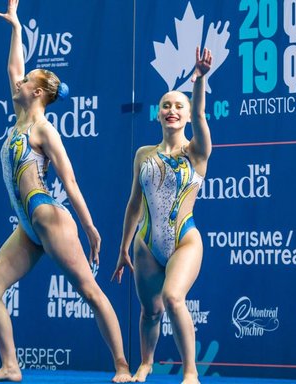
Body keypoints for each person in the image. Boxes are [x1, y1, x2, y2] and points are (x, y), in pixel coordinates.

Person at [0, 0, 132, 382]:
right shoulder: (18, 119)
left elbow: (71, 181)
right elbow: (14, 67)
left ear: (39, 92)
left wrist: (91, 228)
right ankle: (11, 366)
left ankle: (123, 367)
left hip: (48, 216)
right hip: (28, 225)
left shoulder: (44, 130)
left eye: (27, 81)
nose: (18, 82)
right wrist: (16, 27)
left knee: (90, 292)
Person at [112, 47, 213, 384]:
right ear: (158, 114)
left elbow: (201, 116)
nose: (172, 110)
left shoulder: (196, 152)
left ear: (185, 116)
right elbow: (134, 204)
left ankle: (190, 372)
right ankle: (145, 364)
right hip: (145, 244)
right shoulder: (143, 154)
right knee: (150, 310)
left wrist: (198, 80)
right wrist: (124, 247)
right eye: (166, 105)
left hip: (185, 240)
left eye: (178, 106)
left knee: (172, 298)